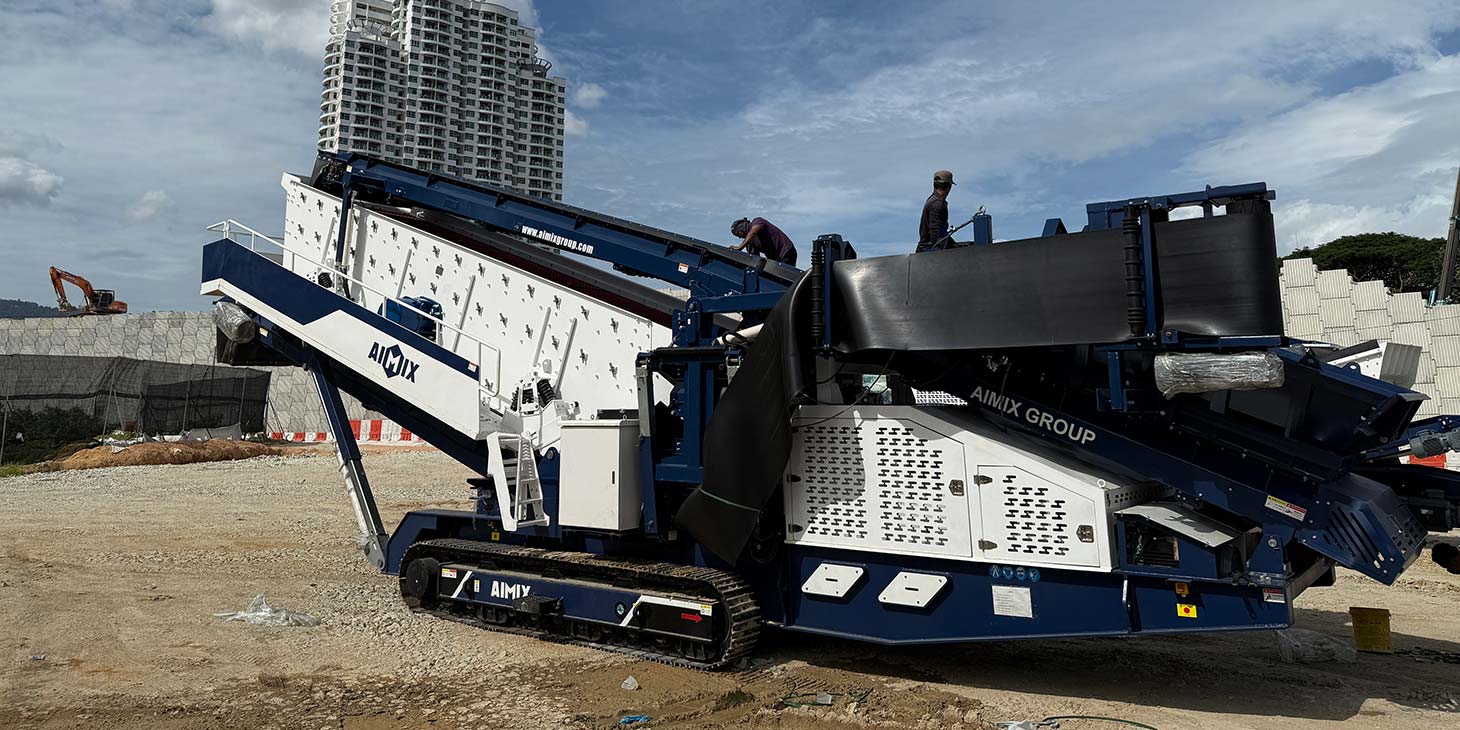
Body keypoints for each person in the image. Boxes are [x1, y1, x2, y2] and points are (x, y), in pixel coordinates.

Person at [730, 217, 797, 266]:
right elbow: (754, 259)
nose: (739, 237)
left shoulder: (757, 221)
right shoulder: (750, 243)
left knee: (785, 278)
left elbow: (753, 231)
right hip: (776, 260)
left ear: (741, 229)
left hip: (786, 252)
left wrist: (739, 247)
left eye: (738, 234)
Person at [916, 169, 956, 252]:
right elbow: (935, 232)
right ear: (949, 186)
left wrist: (953, 244)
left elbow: (941, 232)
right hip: (929, 251)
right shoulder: (937, 204)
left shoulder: (933, 200)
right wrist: (939, 255)